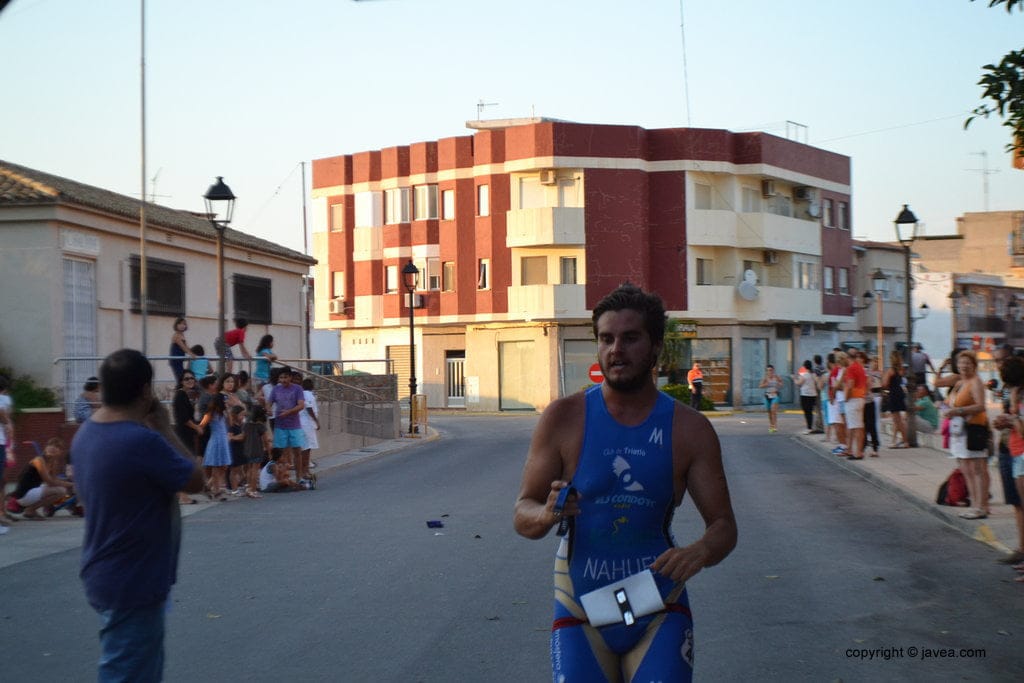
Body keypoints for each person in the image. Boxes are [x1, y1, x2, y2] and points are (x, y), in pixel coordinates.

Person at [513, 284, 737, 682]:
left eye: (630, 338)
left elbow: (723, 527)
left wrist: (700, 551)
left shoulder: (689, 429)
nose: (616, 349)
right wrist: (546, 514)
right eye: (606, 338)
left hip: (658, 603)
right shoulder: (563, 418)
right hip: (579, 608)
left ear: (655, 346)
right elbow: (523, 512)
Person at [72, 348, 205, 682]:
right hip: (134, 579)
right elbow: (196, 479)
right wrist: (164, 428)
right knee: (128, 672)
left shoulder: (86, 434)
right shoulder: (141, 441)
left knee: (133, 667)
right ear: (146, 390)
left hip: (108, 571)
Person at [946, 350, 991, 520]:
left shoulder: (976, 382)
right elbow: (950, 402)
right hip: (959, 430)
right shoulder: (959, 383)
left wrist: (958, 410)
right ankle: (974, 504)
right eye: (961, 363)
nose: (964, 366)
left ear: (974, 365)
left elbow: (981, 406)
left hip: (973, 429)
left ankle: (981, 506)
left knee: (977, 469)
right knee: (965, 468)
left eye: (967, 363)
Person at [994, 351, 1024, 568]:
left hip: (1020, 452)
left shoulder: (1019, 394)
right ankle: (1022, 550)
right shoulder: (1010, 392)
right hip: (1010, 449)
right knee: (1017, 502)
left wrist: (1012, 419)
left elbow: (1021, 427)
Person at [11, 437, 74, 519]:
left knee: (61, 489)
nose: (53, 448)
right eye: (50, 445)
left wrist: (69, 483)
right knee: (61, 491)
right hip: (24, 494)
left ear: (60, 452)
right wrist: (71, 484)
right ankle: (31, 510)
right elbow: (50, 482)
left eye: (57, 447)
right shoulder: (39, 460)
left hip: (33, 492)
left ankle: (46, 507)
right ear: (46, 447)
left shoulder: (53, 462)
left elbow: (54, 480)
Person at [268, 369, 306, 482]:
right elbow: (269, 402)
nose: (283, 380)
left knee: (297, 452)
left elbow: (301, 405)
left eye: (285, 377)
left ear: (290, 378)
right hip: (280, 425)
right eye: (281, 378)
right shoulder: (276, 389)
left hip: (294, 425)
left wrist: (289, 412)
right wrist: (268, 409)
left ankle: (299, 477)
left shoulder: (297, 389)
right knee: (281, 454)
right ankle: (283, 477)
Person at [171, 372, 202, 505]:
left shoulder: (184, 395)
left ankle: (181, 494)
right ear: (181, 381)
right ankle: (182, 495)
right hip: (183, 434)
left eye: (191, 378)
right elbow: (184, 418)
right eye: (186, 379)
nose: (190, 381)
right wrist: (196, 427)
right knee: (185, 464)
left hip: (186, 433)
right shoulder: (180, 396)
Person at [842, 350, 868, 460]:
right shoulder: (860, 367)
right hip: (861, 398)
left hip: (853, 399)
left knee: (857, 427)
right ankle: (851, 449)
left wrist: (846, 397)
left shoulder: (851, 368)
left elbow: (850, 384)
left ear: (848, 358)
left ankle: (858, 453)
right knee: (856, 426)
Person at [243, 406, 272, 499]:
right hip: (257, 450)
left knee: (249, 469)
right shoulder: (260, 426)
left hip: (247, 449)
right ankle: (253, 490)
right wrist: (269, 452)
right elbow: (266, 440)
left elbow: (243, 436)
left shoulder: (246, 425)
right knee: (255, 470)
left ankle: (248, 487)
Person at [883, 350, 909, 448]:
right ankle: (895, 440)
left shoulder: (890, 370)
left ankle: (905, 441)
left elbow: (885, 384)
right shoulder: (900, 369)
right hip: (899, 393)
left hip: (893, 394)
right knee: (897, 420)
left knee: (897, 420)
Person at [298, 377, 320, 483]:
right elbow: (309, 408)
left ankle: (305, 470)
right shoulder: (307, 394)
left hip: (306, 424)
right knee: (306, 449)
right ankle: (304, 471)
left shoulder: (305, 394)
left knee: (307, 448)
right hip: (306, 424)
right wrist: (316, 421)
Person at [827, 352, 848, 455]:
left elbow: (840, 385)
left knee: (842, 424)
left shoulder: (843, 370)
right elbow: (835, 385)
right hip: (839, 398)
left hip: (841, 398)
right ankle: (843, 445)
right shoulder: (839, 370)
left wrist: (834, 391)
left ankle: (845, 445)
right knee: (840, 423)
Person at [168, 317, 197, 385]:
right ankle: (179, 392)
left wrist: (194, 353)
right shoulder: (176, 335)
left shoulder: (182, 335)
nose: (182, 325)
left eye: (184, 324)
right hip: (176, 360)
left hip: (180, 360)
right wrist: (192, 355)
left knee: (182, 378)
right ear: (176, 325)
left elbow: (187, 347)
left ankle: (180, 391)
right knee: (180, 378)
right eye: (180, 324)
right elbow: (183, 347)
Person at [793, 360, 817, 433]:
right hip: (813, 395)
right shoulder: (813, 374)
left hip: (805, 395)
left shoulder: (805, 375)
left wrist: (794, 378)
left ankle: (809, 428)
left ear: (805, 366)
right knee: (810, 411)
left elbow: (798, 383)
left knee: (807, 412)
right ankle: (810, 427)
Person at [759, 365, 784, 433]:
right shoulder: (765, 378)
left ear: (773, 370)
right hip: (767, 396)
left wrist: (779, 384)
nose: (769, 371)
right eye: (768, 370)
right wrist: (766, 384)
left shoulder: (776, 377)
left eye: (770, 370)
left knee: (773, 410)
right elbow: (760, 386)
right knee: (769, 412)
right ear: (766, 371)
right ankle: (771, 425)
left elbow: (782, 384)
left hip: (775, 395)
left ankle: (775, 426)